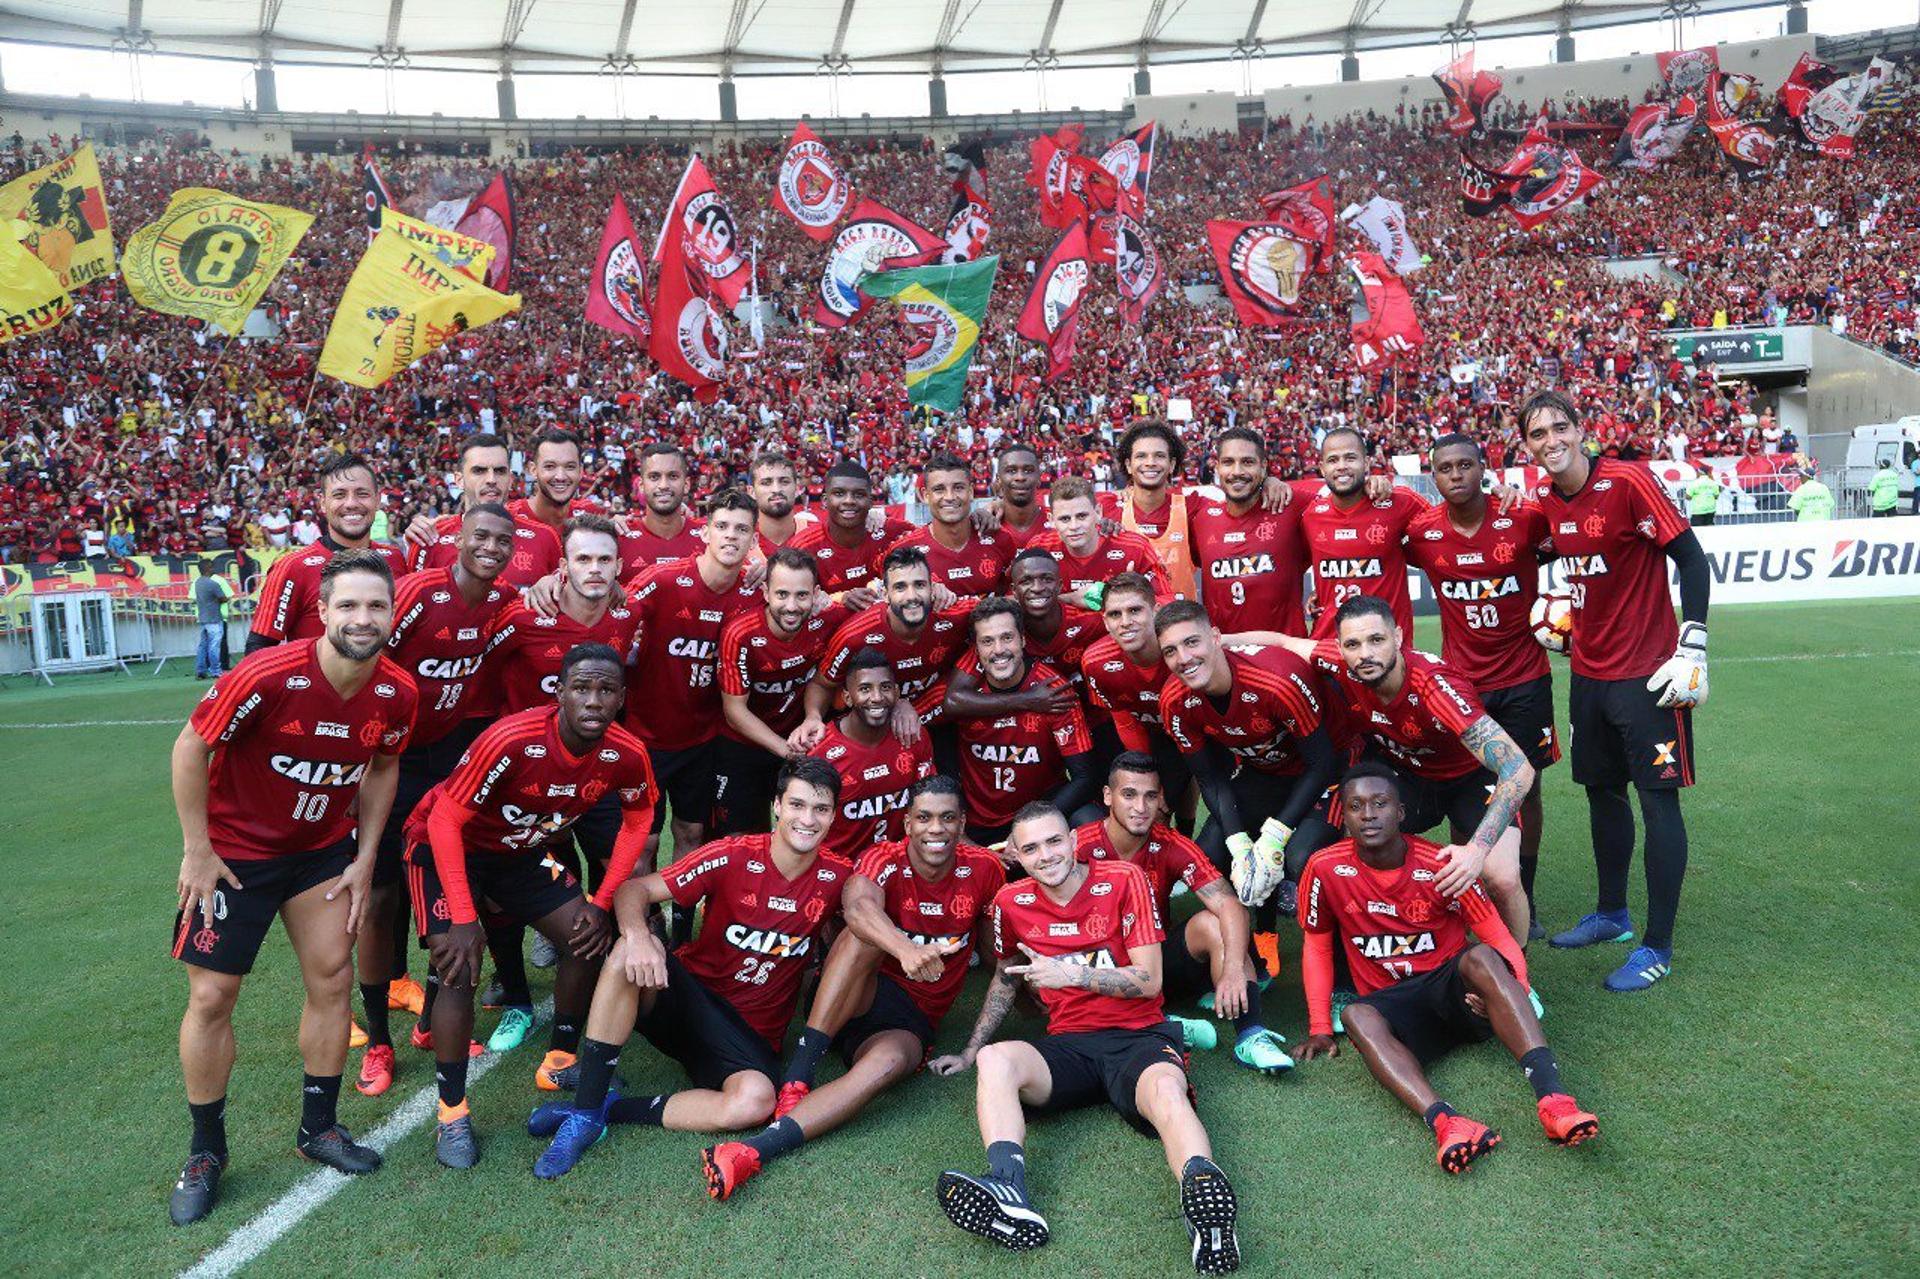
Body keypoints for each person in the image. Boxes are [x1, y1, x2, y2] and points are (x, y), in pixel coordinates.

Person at [167, 550, 418, 1225]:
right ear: (324, 610)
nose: (363, 618)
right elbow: (192, 747)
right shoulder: (267, 674)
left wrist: (366, 856)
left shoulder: (397, 690)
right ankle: (206, 1149)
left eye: (376, 606)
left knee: (333, 982)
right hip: (236, 856)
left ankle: (319, 1128)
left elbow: (384, 766)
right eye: (349, 605)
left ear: (392, 614)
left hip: (318, 857)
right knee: (214, 993)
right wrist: (197, 848)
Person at [931, 803, 1242, 1275]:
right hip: (1070, 1045)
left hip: (1138, 1036)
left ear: (1074, 841)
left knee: (1166, 1092)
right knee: (997, 1060)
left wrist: (1068, 973)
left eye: (1054, 841)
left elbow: (1149, 980)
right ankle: (1008, 1189)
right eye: (1031, 848)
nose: (1046, 855)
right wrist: (971, 1049)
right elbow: (1005, 976)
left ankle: (1207, 1214)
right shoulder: (1011, 902)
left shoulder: (1122, 879)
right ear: (1016, 854)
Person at [527, 758, 852, 1179]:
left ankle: (609, 1109)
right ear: (776, 806)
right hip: (686, 999)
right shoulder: (731, 855)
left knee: (754, 1102)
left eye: (821, 809)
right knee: (629, 950)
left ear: (832, 816)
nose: (807, 819)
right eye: (797, 805)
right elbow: (634, 889)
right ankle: (585, 1112)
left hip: (748, 1037)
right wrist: (639, 935)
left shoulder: (839, 878)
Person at [406, 643, 656, 1168]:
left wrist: (603, 900)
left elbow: (638, 823)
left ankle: (560, 1059)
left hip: (518, 852)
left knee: (589, 935)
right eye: (582, 688)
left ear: (621, 698)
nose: (593, 700)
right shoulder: (512, 738)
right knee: (458, 965)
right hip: (444, 847)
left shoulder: (626, 752)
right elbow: (445, 821)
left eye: (606, 690)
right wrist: (465, 916)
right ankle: (452, 1113)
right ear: (558, 692)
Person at [700, 776, 1004, 1200]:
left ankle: (752, 1151)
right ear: (907, 823)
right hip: (854, 991)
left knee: (887, 1065)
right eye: (924, 818)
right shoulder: (884, 856)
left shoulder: (985, 870)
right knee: (863, 932)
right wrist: (904, 949)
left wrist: (981, 1041)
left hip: (909, 1019)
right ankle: (798, 1078)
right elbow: (859, 906)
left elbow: (999, 958)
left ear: (962, 823)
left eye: (948, 818)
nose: (936, 828)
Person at [1295, 764, 1599, 1172]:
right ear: (1343, 815)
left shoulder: (1440, 863)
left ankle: (1554, 1101)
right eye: (1356, 806)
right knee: (1355, 1015)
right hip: (1395, 1006)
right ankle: (1447, 1123)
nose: (1368, 814)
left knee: (1483, 957)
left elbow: (1496, 934)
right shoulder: (1324, 868)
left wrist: (1516, 987)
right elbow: (1316, 946)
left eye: (1380, 803)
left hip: (1455, 992)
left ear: (1401, 812)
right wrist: (1318, 1027)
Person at [1521, 389, 1710, 992]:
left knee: (1658, 802)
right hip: (1589, 677)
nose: (1550, 441)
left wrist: (1694, 643)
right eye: (1536, 434)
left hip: (1650, 676)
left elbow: (1691, 558)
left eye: (1558, 428)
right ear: (1527, 446)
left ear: (1579, 431)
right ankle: (1612, 914)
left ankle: (1657, 945)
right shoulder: (1546, 504)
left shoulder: (1629, 482)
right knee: (1602, 793)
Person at [357, 503, 519, 1095]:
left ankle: (430, 1022)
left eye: (503, 542)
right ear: (458, 539)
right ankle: (378, 1040)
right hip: (388, 761)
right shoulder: (421, 592)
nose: (492, 549)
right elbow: (368, 659)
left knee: (448, 883)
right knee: (378, 899)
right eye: (482, 537)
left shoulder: (504, 601)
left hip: (447, 759)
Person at [1265, 594, 1536, 945]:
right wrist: (1211, 643)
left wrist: (1476, 851)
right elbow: (1281, 642)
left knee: (1502, 878)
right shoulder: (1341, 662)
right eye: (1353, 644)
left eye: (1376, 640)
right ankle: (1377, 949)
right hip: (1409, 774)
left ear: (1397, 637)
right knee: (1361, 844)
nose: (1365, 653)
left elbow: (1519, 769)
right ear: (1340, 647)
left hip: (1470, 778)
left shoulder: (1434, 687)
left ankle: (1517, 975)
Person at [478, 514, 640, 1023]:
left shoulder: (625, 617)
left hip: (595, 775)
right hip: (523, 785)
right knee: (503, 887)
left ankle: (615, 969)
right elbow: (477, 673)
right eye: (583, 559)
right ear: (562, 565)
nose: (594, 569)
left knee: (623, 867)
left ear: (619, 565)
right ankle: (514, 992)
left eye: (604, 560)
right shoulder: (523, 617)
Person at [1405, 435, 1559, 936]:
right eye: (1445, 467)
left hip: (1524, 680)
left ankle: (1526, 894)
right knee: (1464, 789)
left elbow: (1569, 540)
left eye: (1465, 465)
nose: (1456, 475)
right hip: (1461, 687)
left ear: (1484, 468)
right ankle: (1466, 893)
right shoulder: (1423, 532)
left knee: (1526, 789)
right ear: (1434, 475)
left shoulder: (1525, 518)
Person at [1078, 753, 1292, 1073]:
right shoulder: (1078, 847)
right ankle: (1166, 1025)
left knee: (1212, 922)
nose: (1140, 807)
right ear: (1108, 796)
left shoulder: (1170, 843)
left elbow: (1228, 903)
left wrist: (1234, 966)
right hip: (1102, 968)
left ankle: (1251, 1036)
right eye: (1129, 795)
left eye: (1150, 796)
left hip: (1157, 964)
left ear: (1161, 798)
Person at [1155, 599, 1339, 922]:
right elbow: (1211, 779)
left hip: (1328, 769)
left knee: (1299, 856)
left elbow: (1322, 762)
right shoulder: (1174, 701)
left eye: (1191, 642)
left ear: (1215, 637)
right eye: (1170, 651)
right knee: (1210, 855)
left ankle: (1337, 936)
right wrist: (1239, 844)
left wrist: (1275, 835)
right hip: (1267, 772)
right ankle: (1253, 951)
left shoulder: (1276, 680)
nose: (1183, 659)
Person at [624, 489, 760, 888]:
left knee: (691, 835)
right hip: (644, 740)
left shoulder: (756, 595)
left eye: (741, 529)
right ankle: (642, 927)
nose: (731, 536)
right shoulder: (662, 580)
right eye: (722, 526)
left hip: (703, 741)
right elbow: (612, 614)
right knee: (643, 845)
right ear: (705, 532)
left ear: (753, 539)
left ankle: (680, 926)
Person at [943, 595, 1098, 844]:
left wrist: (1033, 825)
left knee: (1089, 818)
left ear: (1023, 639)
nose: (999, 650)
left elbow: (1085, 777)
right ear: (976, 649)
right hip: (978, 822)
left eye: (1007, 637)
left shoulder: (1053, 690)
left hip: (1038, 820)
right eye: (987, 641)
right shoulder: (962, 690)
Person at [802, 545, 973, 767]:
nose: (912, 596)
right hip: (871, 725)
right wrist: (813, 717)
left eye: (919, 585)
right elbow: (822, 684)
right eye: (900, 587)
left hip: (936, 722)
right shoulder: (855, 635)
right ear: (886, 593)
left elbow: (1002, 612)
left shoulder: (957, 614)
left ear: (933, 588)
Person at [715, 547, 841, 834]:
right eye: (782, 594)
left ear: (816, 593)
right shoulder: (741, 634)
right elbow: (734, 711)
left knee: (809, 830)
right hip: (743, 744)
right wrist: (786, 751)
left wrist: (812, 718)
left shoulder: (829, 619)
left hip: (799, 738)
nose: (792, 606)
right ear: (765, 592)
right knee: (740, 837)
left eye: (802, 595)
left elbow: (875, 608)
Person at [247, 454, 410, 650]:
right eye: (339, 495)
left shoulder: (395, 558)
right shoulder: (292, 567)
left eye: (362, 494)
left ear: (377, 500)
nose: (351, 503)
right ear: (323, 503)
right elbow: (258, 650)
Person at [1295, 427, 1426, 637]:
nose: (1342, 467)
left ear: (1366, 463)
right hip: (1329, 646)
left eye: (1350, 458)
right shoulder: (1311, 515)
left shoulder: (1399, 502)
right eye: (1333, 460)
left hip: (1386, 648)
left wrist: (1495, 499)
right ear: (1321, 468)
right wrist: (1319, 591)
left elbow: (1449, 522)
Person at [806, 648, 936, 860]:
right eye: (865, 689)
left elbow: (932, 805)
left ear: (896, 692)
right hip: (839, 868)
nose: (876, 697)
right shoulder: (821, 752)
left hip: (901, 864)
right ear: (847, 697)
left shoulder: (913, 734)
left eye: (885, 687)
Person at [1187, 427, 1308, 634]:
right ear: (1217, 468)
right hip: (1224, 657)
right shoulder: (1201, 518)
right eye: (1228, 462)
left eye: (1248, 462)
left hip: (1283, 657)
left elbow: (1343, 502)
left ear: (1263, 466)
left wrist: (1374, 485)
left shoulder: (1291, 504)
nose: (1237, 472)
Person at [403, 432, 562, 588]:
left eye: (500, 471)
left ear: (510, 480)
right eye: (479, 471)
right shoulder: (430, 538)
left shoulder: (545, 537)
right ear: (459, 480)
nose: (491, 480)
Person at [1035, 475, 1171, 609]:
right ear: (1051, 519)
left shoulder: (1136, 548)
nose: (1074, 526)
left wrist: (1127, 596)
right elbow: (1016, 598)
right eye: (1065, 519)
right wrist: (1070, 599)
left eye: (1082, 516)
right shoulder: (1039, 549)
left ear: (1098, 512)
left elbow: (1167, 601)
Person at [888, 452, 1012, 598]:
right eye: (939, 489)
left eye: (958, 488)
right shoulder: (904, 552)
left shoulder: (1000, 539)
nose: (950, 497)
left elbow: (1014, 594)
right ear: (926, 496)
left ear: (971, 492)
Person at [790, 460, 909, 604]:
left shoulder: (891, 530)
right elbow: (793, 601)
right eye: (839, 493)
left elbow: (930, 539)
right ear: (825, 501)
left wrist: (936, 583)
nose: (849, 501)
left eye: (859, 495)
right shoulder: (804, 546)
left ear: (871, 502)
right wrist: (840, 598)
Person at [617, 442, 706, 568]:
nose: (663, 485)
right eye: (654, 477)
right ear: (641, 486)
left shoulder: (709, 537)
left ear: (686, 485)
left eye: (673, 476)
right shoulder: (619, 538)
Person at [747, 451, 815, 553]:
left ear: (797, 488)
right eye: (766, 483)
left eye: (784, 482)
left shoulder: (817, 536)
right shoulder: (739, 541)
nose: (776, 489)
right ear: (751, 492)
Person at [990, 441, 1051, 549]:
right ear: (998, 479)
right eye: (1011, 471)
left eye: (1028, 471)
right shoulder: (983, 525)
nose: (1020, 477)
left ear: (1039, 478)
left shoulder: (1058, 523)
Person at [192, 569, 233, 679]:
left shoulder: (197, 582)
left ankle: (201, 670)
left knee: (203, 646)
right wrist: (224, 599)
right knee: (214, 645)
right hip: (214, 618)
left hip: (203, 618)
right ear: (209, 568)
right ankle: (215, 670)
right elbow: (223, 598)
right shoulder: (213, 583)